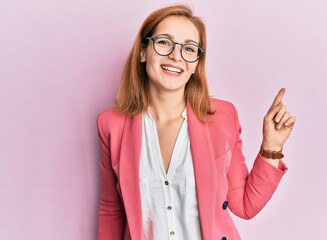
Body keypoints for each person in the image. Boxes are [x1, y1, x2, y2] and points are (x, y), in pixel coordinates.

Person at [96, 4, 296, 240]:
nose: (175, 55)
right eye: (163, 42)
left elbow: (244, 205)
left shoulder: (223, 117)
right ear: (143, 52)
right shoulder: (111, 125)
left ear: (195, 64)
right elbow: (112, 208)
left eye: (189, 48)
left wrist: (272, 148)